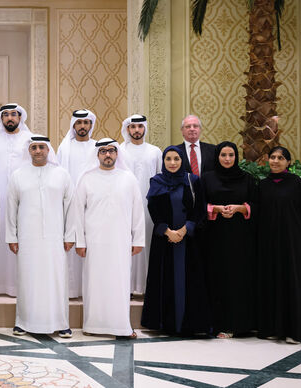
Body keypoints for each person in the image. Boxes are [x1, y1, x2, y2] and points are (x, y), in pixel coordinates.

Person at [73, 138, 145, 338]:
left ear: (117, 154)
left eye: (111, 151)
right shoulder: (86, 178)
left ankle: (122, 326)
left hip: (120, 241)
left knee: (119, 282)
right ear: (97, 155)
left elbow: (137, 211)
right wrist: (80, 241)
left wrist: (138, 239)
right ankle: (93, 325)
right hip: (94, 241)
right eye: (103, 151)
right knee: (94, 283)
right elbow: (77, 213)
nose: (107, 154)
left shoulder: (128, 178)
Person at [7, 135, 74, 338]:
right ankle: (23, 322)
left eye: (42, 147)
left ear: (48, 149)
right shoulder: (18, 175)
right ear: (29, 150)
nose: (38, 151)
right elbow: (11, 208)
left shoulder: (62, 174)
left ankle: (62, 323)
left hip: (55, 238)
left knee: (57, 279)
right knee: (28, 279)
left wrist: (69, 235)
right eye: (34, 147)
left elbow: (70, 207)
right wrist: (12, 236)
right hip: (27, 239)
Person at [141, 146, 211, 335]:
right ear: (163, 161)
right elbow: (153, 208)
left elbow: (200, 208)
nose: (172, 163)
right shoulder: (157, 181)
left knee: (190, 279)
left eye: (176, 159)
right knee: (164, 278)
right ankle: (165, 323)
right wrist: (167, 231)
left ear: (182, 161)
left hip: (188, 240)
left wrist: (185, 229)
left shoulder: (193, 180)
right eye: (168, 159)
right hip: (165, 240)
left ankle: (191, 325)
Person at [256, 146, 301, 344]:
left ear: (288, 162)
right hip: (269, 243)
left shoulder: (296, 183)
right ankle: (272, 329)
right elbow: (257, 216)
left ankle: (294, 331)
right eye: (272, 157)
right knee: (271, 284)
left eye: (280, 158)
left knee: (293, 283)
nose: (275, 161)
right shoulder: (263, 185)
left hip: (293, 243)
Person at [201, 141, 258, 339]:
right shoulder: (207, 179)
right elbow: (199, 205)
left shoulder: (247, 179)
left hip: (240, 239)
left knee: (238, 279)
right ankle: (216, 324)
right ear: (217, 156)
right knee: (217, 278)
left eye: (231, 155)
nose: (227, 159)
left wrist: (241, 208)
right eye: (223, 155)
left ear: (236, 157)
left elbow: (256, 205)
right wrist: (215, 209)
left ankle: (238, 324)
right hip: (214, 238)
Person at [0, 103, 32, 296]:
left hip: (24, 198)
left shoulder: (29, 138)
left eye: (14, 114)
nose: (10, 118)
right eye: (6, 115)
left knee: (22, 237)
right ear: (1, 118)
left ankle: (20, 285)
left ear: (20, 117)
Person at [118, 114, 162, 296]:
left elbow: (160, 178)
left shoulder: (155, 151)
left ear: (144, 128)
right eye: (132, 127)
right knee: (124, 244)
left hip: (148, 206)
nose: (136, 130)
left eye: (140, 127)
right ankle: (125, 287)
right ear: (127, 129)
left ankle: (146, 287)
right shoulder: (119, 150)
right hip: (124, 205)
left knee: (147, 244)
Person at [56, 109, 97, 298]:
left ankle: (90, 289)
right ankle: (71, 290)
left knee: (92, 245)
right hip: (70, 203)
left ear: (91, 125)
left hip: (93, 204)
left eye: (86, 123)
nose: (82, 126)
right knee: (70, 244)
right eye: (79, 123)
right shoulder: (65, 147)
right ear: (73, 125)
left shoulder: (98, 146)